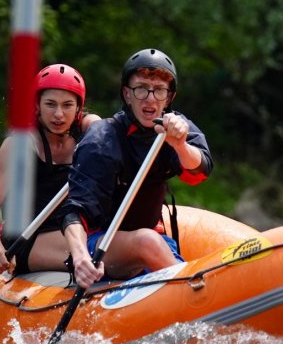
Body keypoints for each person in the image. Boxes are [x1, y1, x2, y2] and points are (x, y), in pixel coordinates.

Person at [59, 48, 213, 289]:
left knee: (151, 240)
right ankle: (191, 294)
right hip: (100, 245)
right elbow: (74, 213)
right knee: (147, 241)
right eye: (141, 88)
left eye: (159, 90)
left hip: (153, 238)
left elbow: (198, 173)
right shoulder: (102, 139)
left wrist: (180, 145)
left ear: (169, 97)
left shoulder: (176, 128)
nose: (150, 98)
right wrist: (80, 258)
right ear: (127, 94)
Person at [0, 64, 101, 276]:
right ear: (37, 106)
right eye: (50, 104)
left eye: (67, 105)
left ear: (78, 108)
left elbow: (107, 130)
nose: (59, 114)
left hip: (75, 230)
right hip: (26, 239)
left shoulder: (89, 130)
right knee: (100, 252)